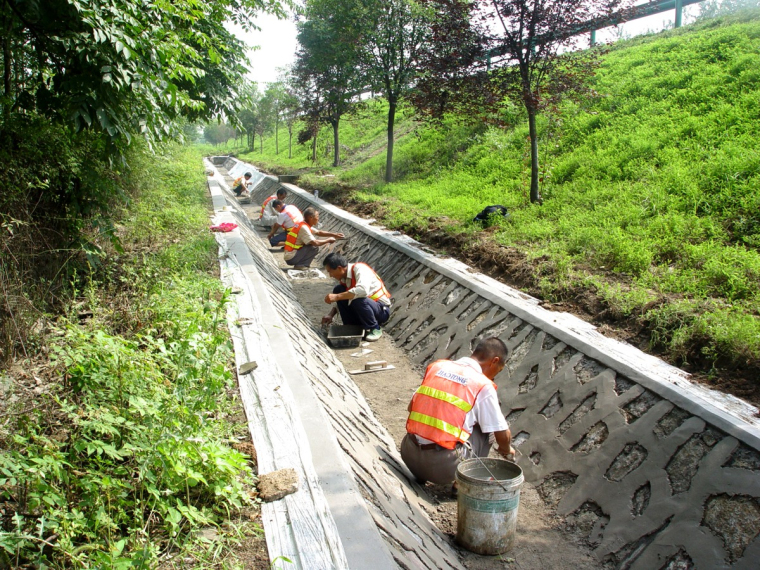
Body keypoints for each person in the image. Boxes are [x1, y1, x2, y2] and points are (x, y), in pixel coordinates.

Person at [400, 337, 514, 486]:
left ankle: (421, 474)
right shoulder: (482, 385)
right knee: (490, 430)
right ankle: (462, 484)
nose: (495, 376)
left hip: (409, 455)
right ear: (494, 360)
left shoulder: (437, 367)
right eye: (498, 370)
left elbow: (411, 407)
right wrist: (507, 450)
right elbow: (503, 435)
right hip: (442, 468)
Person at [321, 253, 391, 342]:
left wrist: (337, 296)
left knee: (357, 297)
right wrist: (330, 315)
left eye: (330, 272)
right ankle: (351, 326)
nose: (330, 275)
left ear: (339, 268)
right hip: (364, 309)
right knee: (339, 289)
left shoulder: (360, 269)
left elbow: (362, 291)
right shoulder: (344, 278)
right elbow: (341, 297)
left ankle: (375, 328)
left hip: (380, 310)